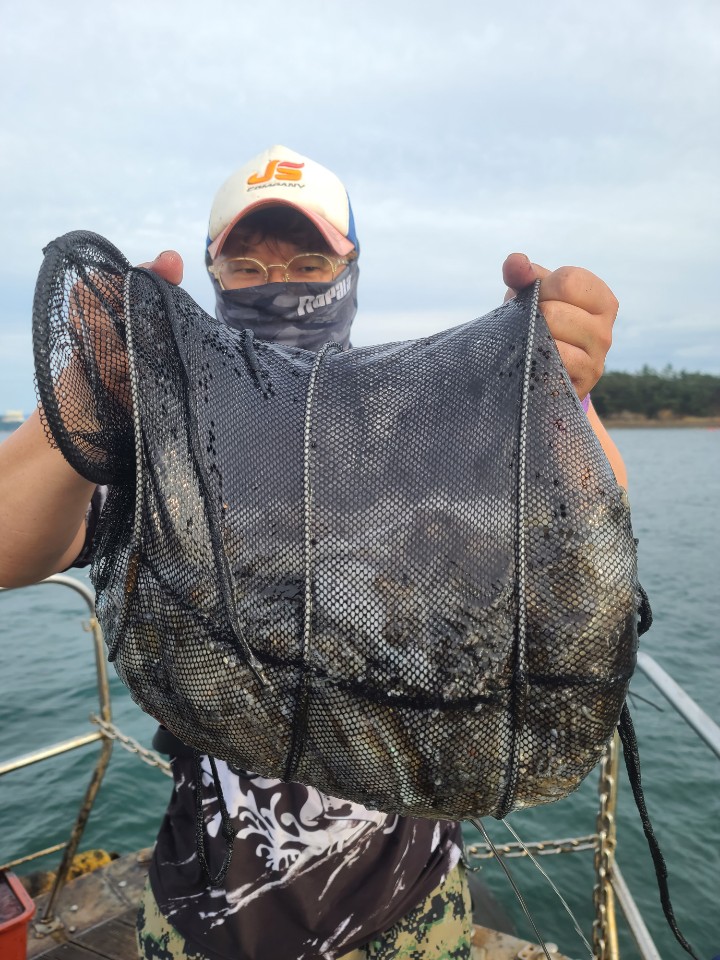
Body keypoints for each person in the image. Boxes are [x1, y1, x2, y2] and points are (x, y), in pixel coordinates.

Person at [0, 145, 626, 959]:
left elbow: (586, 539)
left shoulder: (421, 424)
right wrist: (89, 393)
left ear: (349, 269)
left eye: (307, 262)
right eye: (248, 267)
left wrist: (556, 392)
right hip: (203, 902)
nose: (278, 284)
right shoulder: (169, 434)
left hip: (408, 901)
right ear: (213, 275)